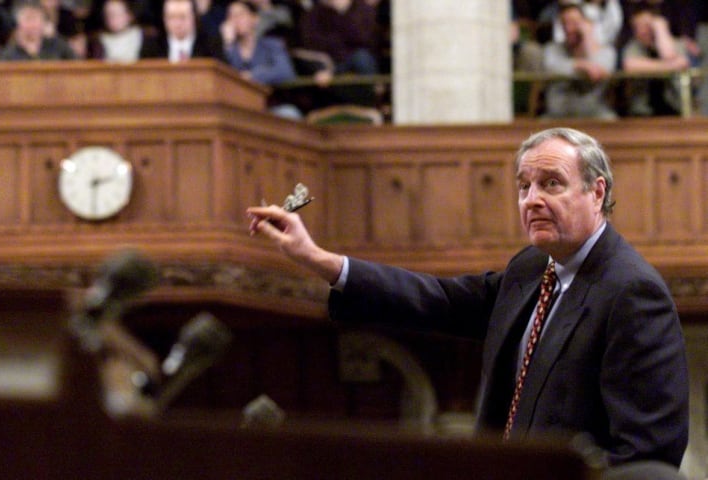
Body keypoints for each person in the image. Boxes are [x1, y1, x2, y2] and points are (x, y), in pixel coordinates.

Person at [247, 127, 689, 468]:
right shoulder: (531, 268)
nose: (531, 200)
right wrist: (317, 258)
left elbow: (647, 457)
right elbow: (437, 299)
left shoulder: (631, 293)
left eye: (551, 183)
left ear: (597, 193)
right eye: (524, 186)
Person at [221, 0, 301, 118]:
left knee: (290, 114)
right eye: (231, 16)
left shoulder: (272, 45)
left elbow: (286, 72)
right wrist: (227, 44)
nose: (236, 20)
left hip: (270, 106)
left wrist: (252, 76)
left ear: (255, 18)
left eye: (241, 14)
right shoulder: (227, 50)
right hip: (237, 110)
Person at [542, 2, 617, 119]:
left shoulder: (606, 51)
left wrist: (588, 38)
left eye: (574, 23)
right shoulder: (552, 49)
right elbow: (551, 67)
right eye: (564, 23)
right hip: (557, 117)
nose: (568, 28)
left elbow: (600, 70)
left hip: (595, 116)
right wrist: (580, 65)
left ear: (586, 24)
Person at [621, 5, 689, 116]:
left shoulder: (676, 43)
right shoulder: (633, 46)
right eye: (637, 26)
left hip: (673, 108)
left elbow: (670, 56)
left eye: (646, 25)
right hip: (641, 111)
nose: (642, 30)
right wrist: (670, 67)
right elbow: (630, 66)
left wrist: (660, 29)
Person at [139, 0, 226, 62]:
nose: (177, 24)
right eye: (172, 17)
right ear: (164, 19)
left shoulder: (211, 45)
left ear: (193, 18)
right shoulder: (151, 47)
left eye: (182, 17)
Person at [0, 0, 77, 60]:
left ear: (43, 23)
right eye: (28, 19)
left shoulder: (58, 46)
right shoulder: (10, 52)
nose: (32, 25)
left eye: (36, 19)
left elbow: (78, 65)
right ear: (19, 24)